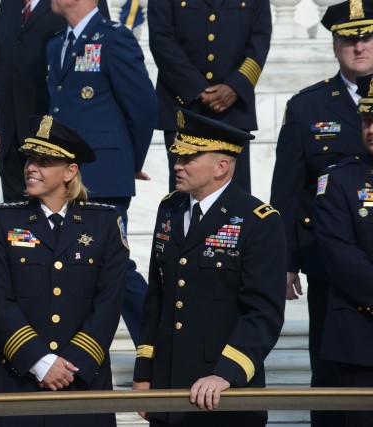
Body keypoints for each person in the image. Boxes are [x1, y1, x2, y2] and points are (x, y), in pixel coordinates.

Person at [133, 108, 286, 427]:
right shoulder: (169, 209)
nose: (177, 165)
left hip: (224, 392)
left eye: (188, 158)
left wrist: (225, 374)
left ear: (221, 166)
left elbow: (263, 313)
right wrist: (144, 374)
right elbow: (156, 298)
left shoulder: (258, 221)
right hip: (169, 388)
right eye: (178, 156)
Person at [0, 115, 129, 427]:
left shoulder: (104, 223)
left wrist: (70, 365)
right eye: (30, 159)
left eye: (44, 161)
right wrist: (39, 361)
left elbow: (108, 303)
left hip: (81, 379)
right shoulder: (4, 221)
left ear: (70, 171)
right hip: (18, 379)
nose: (31, 168)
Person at [270, 1, 373, 425]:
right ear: (334, 45)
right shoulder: (308, 107)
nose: (359, 46)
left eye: (366, 36)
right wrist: (287, 261)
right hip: (329, 263)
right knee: (331, 370)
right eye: (349, 39)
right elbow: (288, 190)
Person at [47, 0, 158, 346]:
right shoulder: (56, 43)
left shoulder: (114, 38)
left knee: (114, 265)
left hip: (104, 174)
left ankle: (156, 342)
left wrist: (130, 161)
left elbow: (143, 106)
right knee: (80, 262)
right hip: (66, 173)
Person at [0, 0, 110, 203]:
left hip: (57, 129)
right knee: (17, 220)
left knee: (62, 216)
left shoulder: (71, 3)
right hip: (11, 134)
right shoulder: (10, 3)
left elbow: (96, 47)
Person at [147, 0, 272, 192]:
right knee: (185, 197)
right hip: (185, 108)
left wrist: (235, 87)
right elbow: (161, 39)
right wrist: (196, 89)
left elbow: (260, 38)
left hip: (233, 108)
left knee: (234, 201)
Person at [313, 72, 373, 427]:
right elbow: (340, 255)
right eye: (367, 119)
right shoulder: (339, 180)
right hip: (360, 340)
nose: (371, 129)